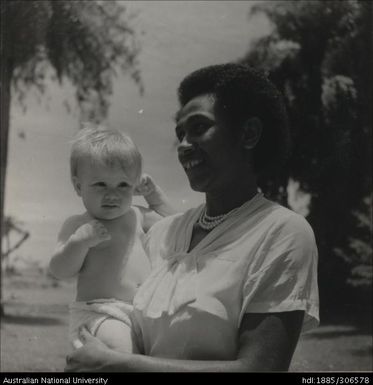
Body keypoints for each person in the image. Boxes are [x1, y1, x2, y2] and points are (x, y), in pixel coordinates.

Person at [65, 63, 319, 372]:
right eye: (180, 133)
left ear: (249, 133)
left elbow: (260, 368)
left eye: (199, 128)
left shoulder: (282, 233)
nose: (183, 145)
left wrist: (119, 364)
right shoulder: (164, 232)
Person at [49, 125, 176, 353]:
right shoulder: (79, 224)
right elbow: (59, 270)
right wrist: (79, 242)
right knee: (122, 350)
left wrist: (154, 195)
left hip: (145, 313)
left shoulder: (137, 215)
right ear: (79, 187)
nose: (112, 194)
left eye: (123, 185)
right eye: (100, 184)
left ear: (134, 186)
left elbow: (174, 223)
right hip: (101, 313)